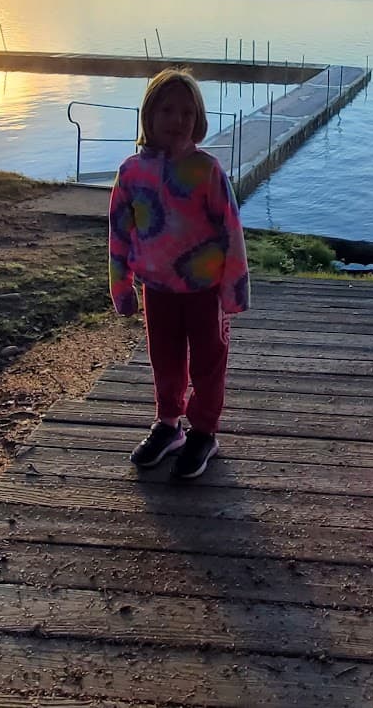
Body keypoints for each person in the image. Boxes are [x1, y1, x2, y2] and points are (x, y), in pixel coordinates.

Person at [109, 68, 250, 479]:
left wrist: (233, 289)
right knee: (165, 360)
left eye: (187, 112)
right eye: (167, 110)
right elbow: (119, 231)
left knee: (209, 362)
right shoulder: (132, 172)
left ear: (199, 120)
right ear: (148, 116)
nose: (177, 120)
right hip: (158, 287)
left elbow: (231, 229)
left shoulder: (206, 171)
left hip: (204, 289)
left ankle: (203, 430)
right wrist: (121, 286)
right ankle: (168, 424)